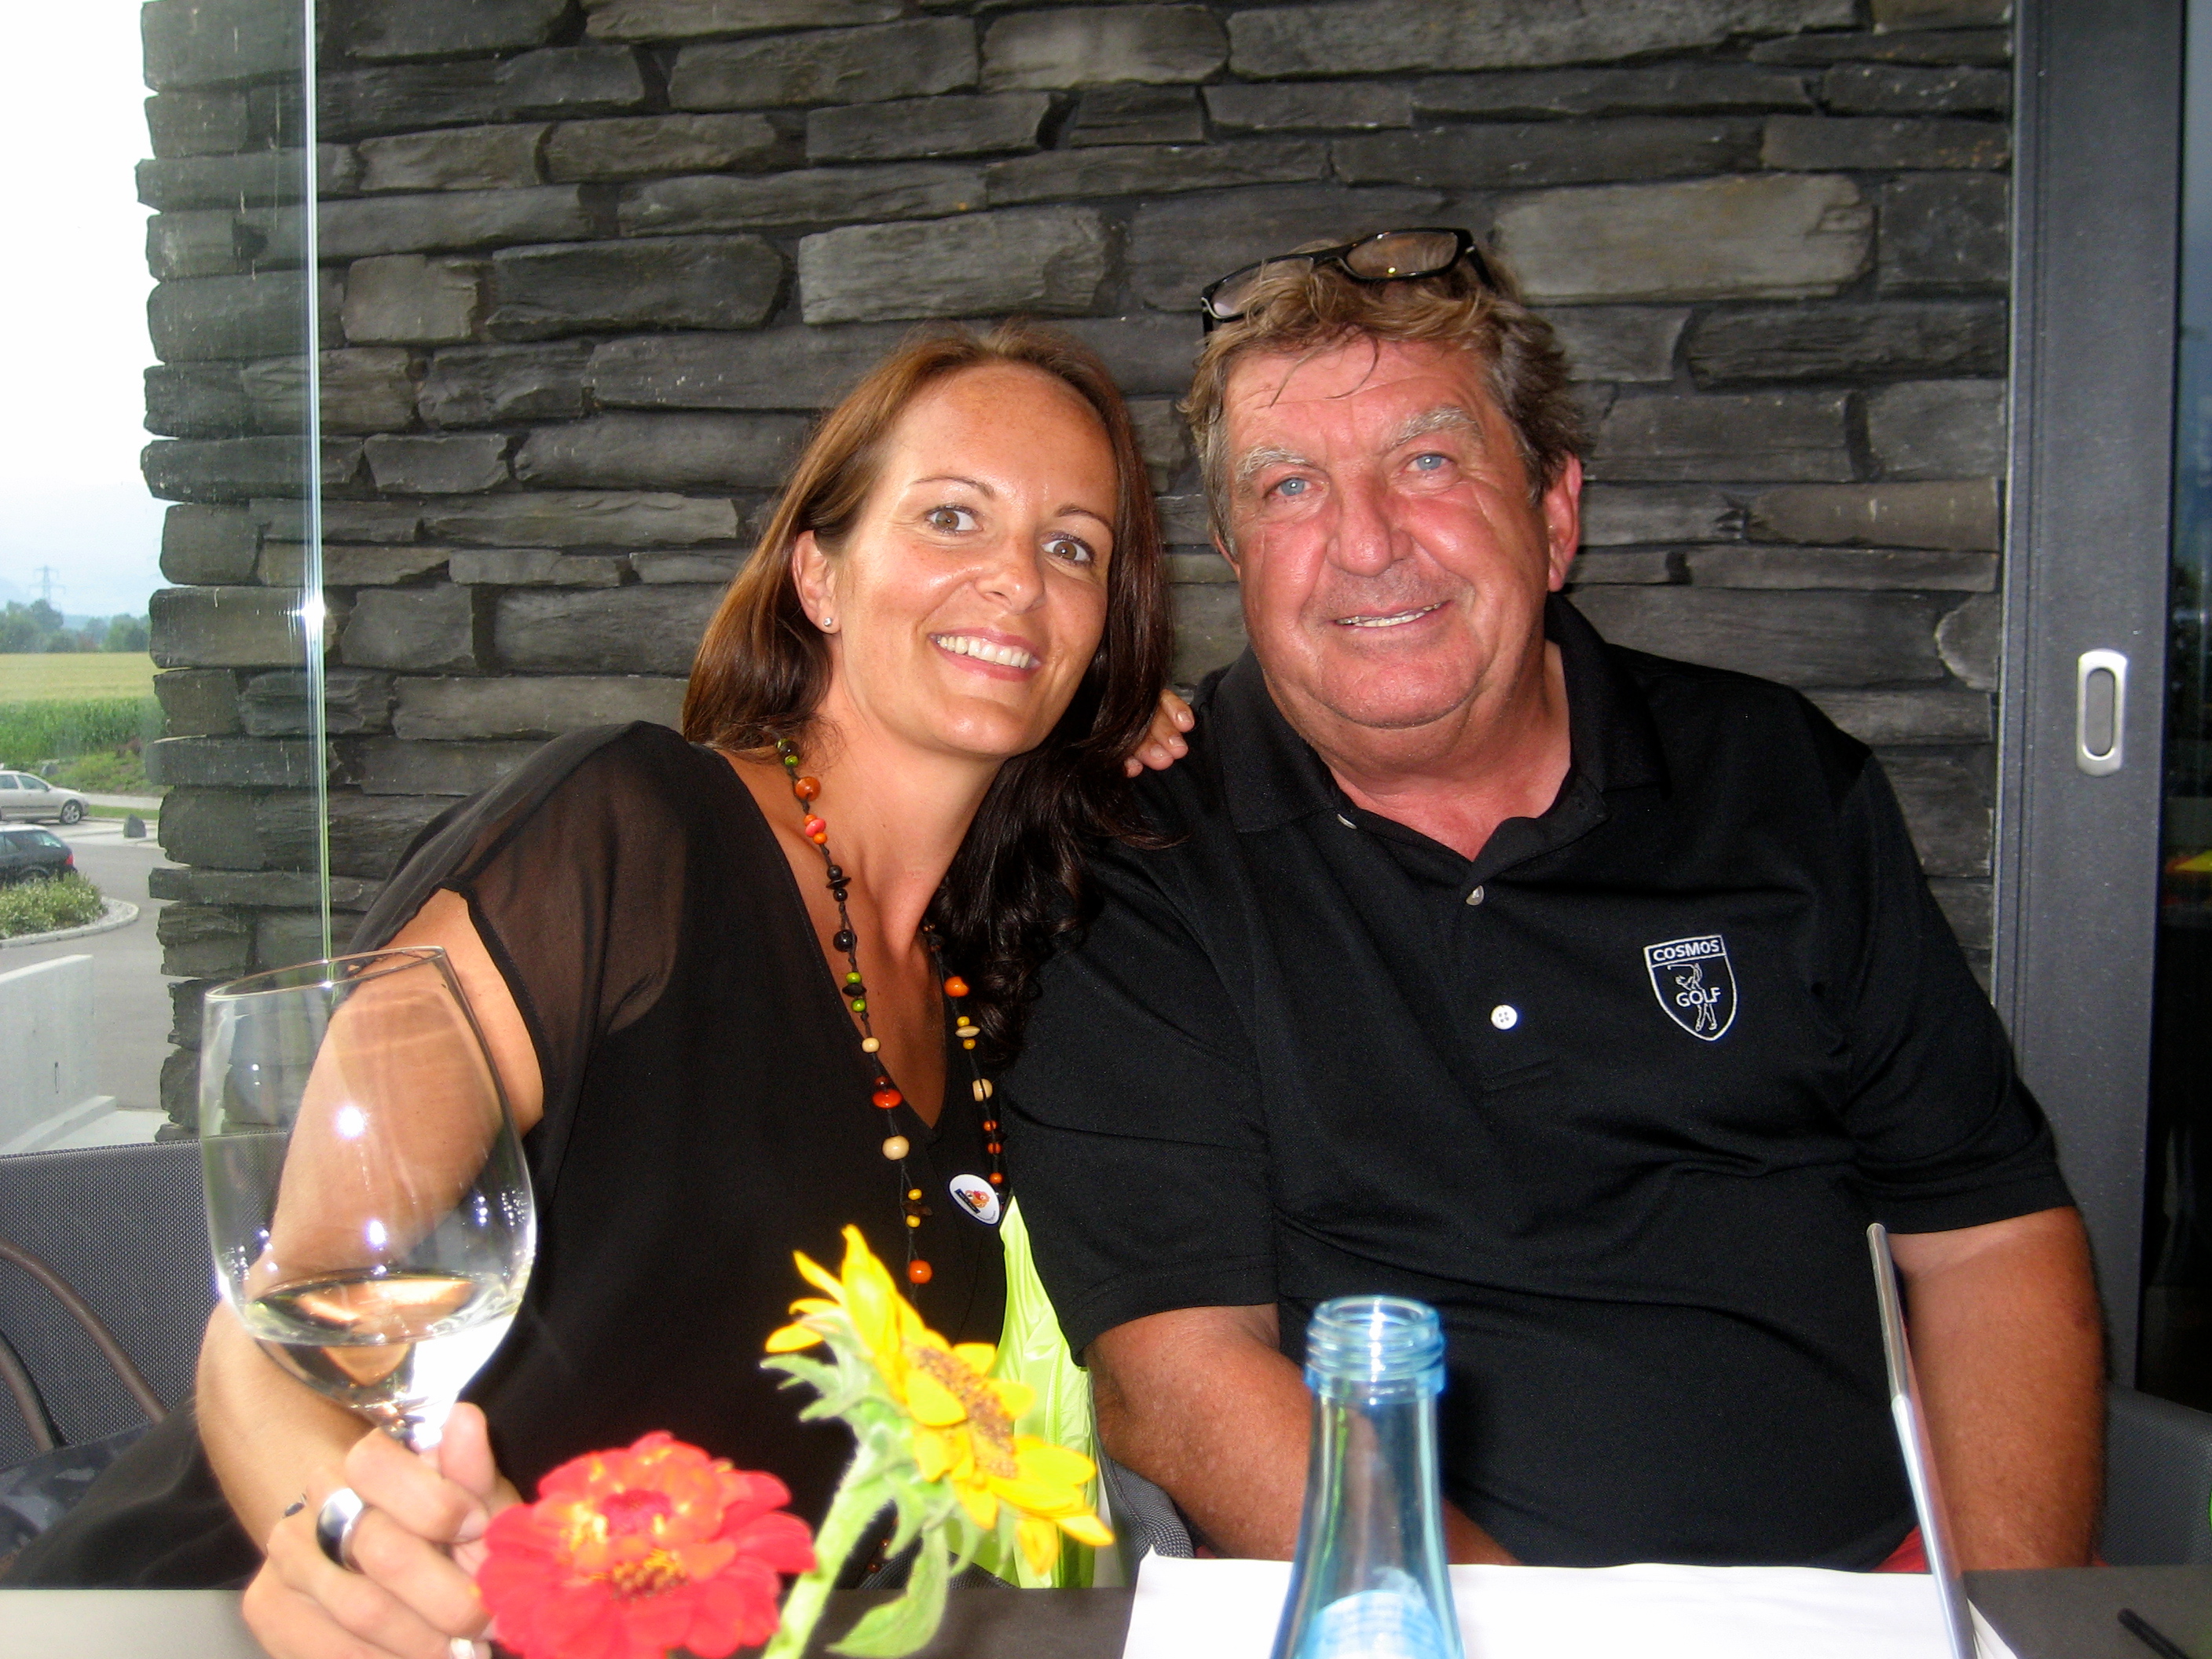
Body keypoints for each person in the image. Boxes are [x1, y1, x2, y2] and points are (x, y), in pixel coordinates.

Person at [9, 321, 1189, 1656]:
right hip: (253, 1610)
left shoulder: (982, 993)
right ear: (818, 575)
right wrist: (338, 1524)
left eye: (1072, 549)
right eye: (952, 516)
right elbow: (301, 1297)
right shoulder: (628, 834)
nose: (1016, 580)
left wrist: (1130, 735)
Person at [1004, 231, 2106, 1573]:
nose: (1365, 543)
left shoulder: (1775, 778)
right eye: (1289, 486)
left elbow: (1988, 1234)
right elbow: (1180, 1378)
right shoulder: (1141, 857)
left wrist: (1976, 1611)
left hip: (1866, 1594)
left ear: (1556, 513)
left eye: (1428, 462)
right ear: (1236, 556)